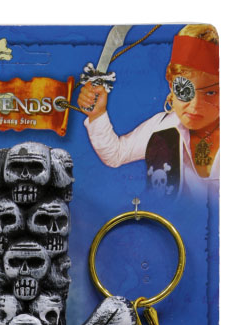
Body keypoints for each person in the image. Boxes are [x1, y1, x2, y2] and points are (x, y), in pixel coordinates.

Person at [78, 25, 219, 197]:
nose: (195, 105)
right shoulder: (162, 127)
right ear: (171, 86)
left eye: (210, 93)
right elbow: (116, 154)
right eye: (184, 90)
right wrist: (98, 114)